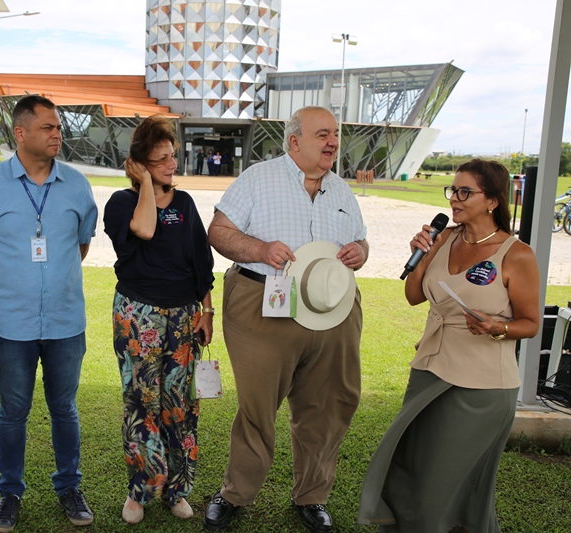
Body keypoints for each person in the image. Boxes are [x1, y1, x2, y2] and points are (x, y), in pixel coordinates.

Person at [204, 106, 369, 533]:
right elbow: (219, 232)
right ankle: (236, 494)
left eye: (335, 133)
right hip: (263, 302)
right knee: (258, 406)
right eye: (322, 134)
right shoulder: (259, 178)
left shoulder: (341, 190)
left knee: (329, 405)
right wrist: (259, 249)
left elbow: (361, 240)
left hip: (333, 308)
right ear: (294, 141)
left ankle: (312, 496)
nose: (333, 141)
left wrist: (361, 252)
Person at [357, 159, 540, 533]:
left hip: (482, 386)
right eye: (452, 191)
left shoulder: (516, 254)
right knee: (411, 467)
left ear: (492, 201)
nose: (454, 199)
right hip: (429, 368)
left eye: (464, 192)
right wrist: (421, 253)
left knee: (449, 481)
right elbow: (412, 296)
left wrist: (496, 326)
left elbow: (531, 323)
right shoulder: (444, 238)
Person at [0, 95, 98, 532]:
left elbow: (80, 245)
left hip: (65, 322)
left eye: (58, 126)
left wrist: (50, 283)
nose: (57, 133)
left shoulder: (78, 185)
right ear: (20, 134)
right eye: (47, 127)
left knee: (65, 409)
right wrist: (11, 286)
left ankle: (69, 487)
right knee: (13, 411)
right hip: (12, 323)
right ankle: (10, 492)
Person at [104, 115, 215, 525]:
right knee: (141, 402)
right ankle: (140, 491)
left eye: (173, 156)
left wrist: (207, 310)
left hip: (184, 315)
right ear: (139, 165)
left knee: (180, 406)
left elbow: (202, 262)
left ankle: (176, 489)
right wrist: (146, 186)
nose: (173, 165)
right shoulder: (121, 203)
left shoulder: (185, 204)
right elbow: (145, 229)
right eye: (161, 160)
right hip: (139, 315)